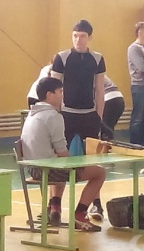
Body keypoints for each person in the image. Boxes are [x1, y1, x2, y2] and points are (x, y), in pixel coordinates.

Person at [21, 77, 106, 231]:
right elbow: (62, 152)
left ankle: (55, 207)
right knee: (99, 172)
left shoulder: (31, 115)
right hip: (48, 170)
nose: (63, 95)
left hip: (33, 168)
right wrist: (79, 163)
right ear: (49, 95)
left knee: (59, 163)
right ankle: (80, 215)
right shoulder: (54, 116)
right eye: (60, 91)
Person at [51, 20, 105, 146]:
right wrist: (56, 113)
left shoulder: (97, 58)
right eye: (75, 36)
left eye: (82, 36)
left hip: (89, 114)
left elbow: (100, 90)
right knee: (63, 150)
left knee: (91, 153)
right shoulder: (61, 58)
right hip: (67, 114)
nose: (78, 40)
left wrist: (99, 116)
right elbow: (54, 88)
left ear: (89, 38)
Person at [101, 75, 125, 141]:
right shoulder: (99, 73)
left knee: (105, 131)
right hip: (119, 98)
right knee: (108, 129)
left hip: (108, 99)